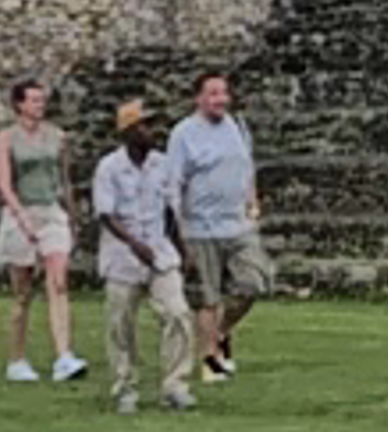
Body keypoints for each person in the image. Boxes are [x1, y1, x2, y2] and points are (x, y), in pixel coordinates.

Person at [91, 100, 196, 413]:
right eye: (145, 126)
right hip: (122, 257)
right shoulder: (109, 168)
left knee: (177, 313)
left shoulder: (162, 165)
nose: (153, 132)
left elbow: (170, 210)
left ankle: (175, 386)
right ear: (128, 132)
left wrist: (182, 247)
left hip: (160, 251)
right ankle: (125, 387)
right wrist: (133, 243)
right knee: (121, 323)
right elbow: (106, 215)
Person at [169, 69, 271, 382]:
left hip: (238, 226)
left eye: (223, 93)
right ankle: (211, 361)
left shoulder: (237, 126)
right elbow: (174, 183)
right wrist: (179, 229)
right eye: (212, 94)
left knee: (253, 283)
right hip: (201, 228)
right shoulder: (183, 134)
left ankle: (221, 333)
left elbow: (246, 167)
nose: (220, 100)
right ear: (199, 98)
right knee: (208, 298)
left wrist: (252, 204)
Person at [0, 76, 86, 387]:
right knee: (22, 292)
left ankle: (64, 355)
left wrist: (70, 215)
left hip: (51, 211)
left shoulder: (57, 136)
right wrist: (21, 218)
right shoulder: (7, 138)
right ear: (19, 104)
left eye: (42, 100)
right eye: (33, 100)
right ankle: (17, 358)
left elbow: (64, 177)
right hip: (22, 212)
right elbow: (4, 182)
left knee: (58, 282)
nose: (39, 105)